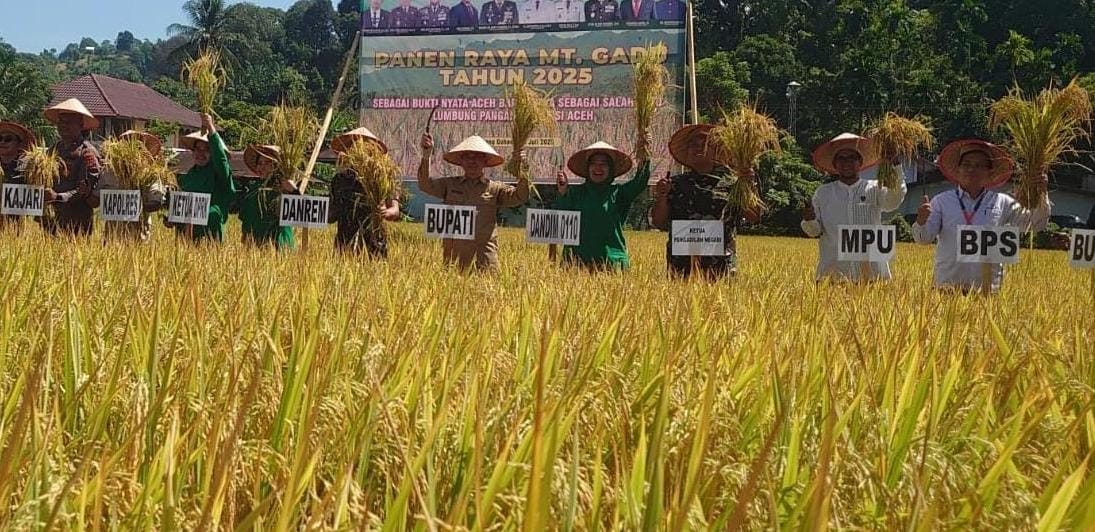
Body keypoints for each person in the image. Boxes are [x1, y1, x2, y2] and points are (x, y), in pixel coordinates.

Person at [912, 139, 1050, 292]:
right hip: (947, 289)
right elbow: (923, 239)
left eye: (979, 166)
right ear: (958, 169)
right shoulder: (941, 201)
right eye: (967, 165)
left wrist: (1041, 193)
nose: (972, 169)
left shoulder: (1002, 202)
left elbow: (1034, 225)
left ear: (990, 172)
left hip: (987, 293)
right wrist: (921, 221)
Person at [650, 124, 762, 278]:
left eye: (705, 144)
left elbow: (753, 216)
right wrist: (662, 196)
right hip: (681, 268)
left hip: (720, 268)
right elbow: (658, 222)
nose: (698, 148)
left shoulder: (733, 184)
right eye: (693, 145)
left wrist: (749, 185)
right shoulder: (674, 184)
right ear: (687, 152)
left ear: (716, 150)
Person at [800, 133, 906, 281]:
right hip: (833, 276)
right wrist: (809, 218)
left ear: (860, 162)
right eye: (841, 158)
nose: (846, 163)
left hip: (873, 276)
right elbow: (814, 231)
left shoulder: (875, 187)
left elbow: (893, 201)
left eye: (852, 158)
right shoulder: (823, 193)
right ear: (835, 164)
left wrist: (896, 166)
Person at [417, 134, 529, 270]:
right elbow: (425, 185)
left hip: (485, 259)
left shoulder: (495, 188)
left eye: (478, 156)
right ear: (461, 161)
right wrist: (426, 154)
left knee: (487, 290)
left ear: (485, 161)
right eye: (468, 157)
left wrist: (523, 169)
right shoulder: (449, 185)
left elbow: (519, 196)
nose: (472, 161)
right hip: (455, 258)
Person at [552, 138, 650, 270]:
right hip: (576, 264)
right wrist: (563, 192)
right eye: (593, 163)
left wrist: (645, 154)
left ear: (610, 169)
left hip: (612, 262)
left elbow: (640, 181)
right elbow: (560, 219)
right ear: (588, 168)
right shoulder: (575, 193)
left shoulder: (619, 193)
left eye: (603, 164)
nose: (598, 168)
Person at [328, 127, 402, 257]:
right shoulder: (339, 179)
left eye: (363, 147)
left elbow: (395, 211)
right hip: (345, 242)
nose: (359, 151)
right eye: (354, 147)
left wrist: (386, 212)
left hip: (374, 242)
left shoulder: (383, 177)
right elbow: (331, 214)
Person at [92, 130, 167, 242]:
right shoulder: (109, 172)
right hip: (111, 237)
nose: (134, 151)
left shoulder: (150, 174)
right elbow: (95, 200)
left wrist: (137, 205)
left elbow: (156, 202)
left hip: (139, 237)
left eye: (139, 147)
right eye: (128, 145)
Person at [42, 98, 102, 236]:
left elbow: (85, 189)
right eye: (61, 122)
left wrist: (58, 196)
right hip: (51, 219)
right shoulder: (53, 150)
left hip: (77, 222)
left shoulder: (87, 153)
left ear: (81, 125)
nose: (63, 126)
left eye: (68, 122)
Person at [172, 113, 236, 242]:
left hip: (210, 232)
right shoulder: (189, 175)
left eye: (206, 149)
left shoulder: (219, 171)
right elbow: (182, 205)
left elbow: (221, 159)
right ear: (192, 152)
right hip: (186, 236)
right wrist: (172, 219)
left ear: (212, 153)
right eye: (197, 149)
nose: (201, 154)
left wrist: (211, 127)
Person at [237, 144, 298, 250]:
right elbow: (246, 219)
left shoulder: (284, 189)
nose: (262, 167)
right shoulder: (252, 189)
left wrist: (294, 191)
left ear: (276, 166)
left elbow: (300, 213)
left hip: (280, 246)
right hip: (255, 248)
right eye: (260, 163)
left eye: (267, 163)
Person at [0, 121, 36, 231]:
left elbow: (34, 205)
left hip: (19, 230)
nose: (2, 142)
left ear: (19, 144)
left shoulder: (31, 169)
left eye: (8, 139)